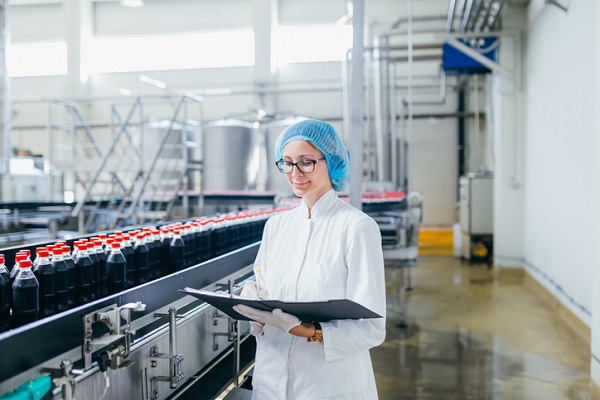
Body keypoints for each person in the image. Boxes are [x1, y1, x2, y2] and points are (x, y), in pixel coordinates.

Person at [233, 119, 386, 399]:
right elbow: (264, 285)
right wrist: (254, 300)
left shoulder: (357, 228)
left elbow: (372, 328)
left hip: (327, 385)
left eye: (306, 162)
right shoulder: (276, 226)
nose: (295, 173)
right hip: (270, 380)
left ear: (331, 162)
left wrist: (307, 331)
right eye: (287, 163)